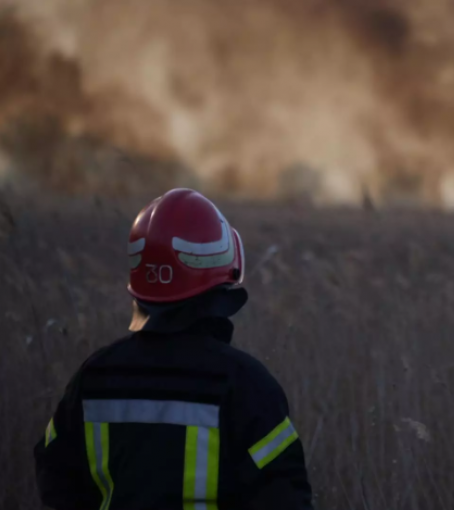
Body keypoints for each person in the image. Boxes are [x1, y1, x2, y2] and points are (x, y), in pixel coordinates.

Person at [35, 188, 314, 509]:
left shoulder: (94, 377)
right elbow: (285, 496)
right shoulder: (245, 385)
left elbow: (54, 468)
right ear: (221, 280)